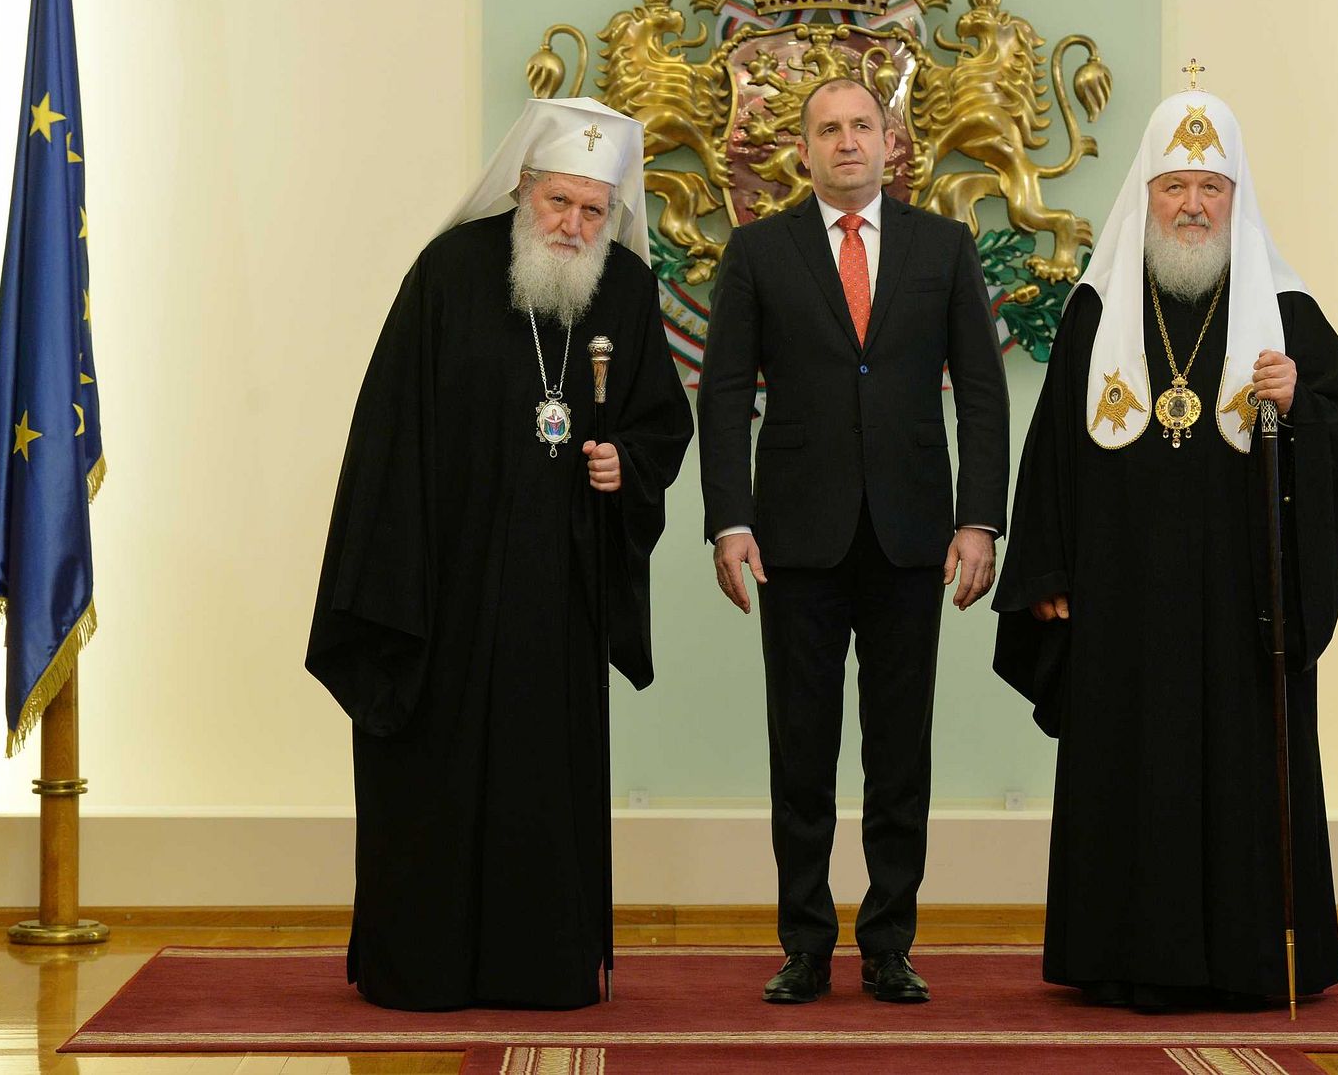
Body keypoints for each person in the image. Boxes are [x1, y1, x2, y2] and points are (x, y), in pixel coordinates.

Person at [306, 97, 693, 1011]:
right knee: (433, 772)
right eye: (559, 202)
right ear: (522, 187)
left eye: (594, 210)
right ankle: (423, 967)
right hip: (442, 581)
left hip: (558, 590)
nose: (574, 226)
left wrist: (624, 463)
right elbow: (389, 432)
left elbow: (659, 424)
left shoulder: (625, 291)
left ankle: (539, 966)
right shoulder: (448, 272)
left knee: (540, 783)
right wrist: (397, 574)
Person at [992, 85, 1338, 1009]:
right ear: (1146, 193)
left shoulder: (1283, 309)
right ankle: (1121, 956)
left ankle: (1247, 958)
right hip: (1120, 597)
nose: (1193, 206)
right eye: (1175, 187)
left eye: (1210, 187)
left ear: (1235, 196)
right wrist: (1046, 568)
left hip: (1245, 604)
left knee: (1242, 770)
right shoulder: (1096, 309)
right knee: (1130, 766)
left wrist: (1297, 401)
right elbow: (1053, 448)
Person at [698, 78, 1009, 1004]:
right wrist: (729, 519)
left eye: (862, 126)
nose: (846, 142)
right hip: (795, 539)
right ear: (803, 150)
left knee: (899, 753)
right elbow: (724, 394)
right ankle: (804, 943)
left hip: (913, 537)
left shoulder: (943, 247)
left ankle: (888, 944)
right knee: (801, 752)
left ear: (890, 140)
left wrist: (979, 519)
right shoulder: (759, 250)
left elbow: (983, 394)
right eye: (828, 129)